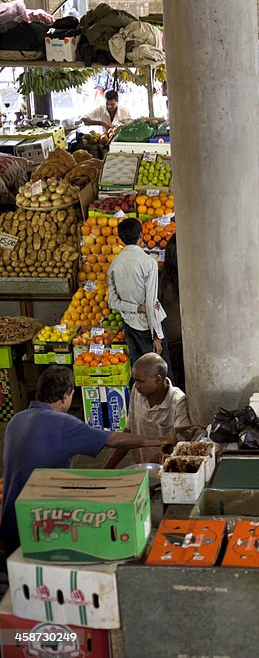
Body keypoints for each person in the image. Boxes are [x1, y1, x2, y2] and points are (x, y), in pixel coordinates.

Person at [1, 366, 174, 557]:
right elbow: (113, 440)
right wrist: (160, 440)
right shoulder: (62, 424)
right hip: (39, 524)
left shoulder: (15, 420)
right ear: (66, 396)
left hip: (9, 521)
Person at [105, 353, 191, 467]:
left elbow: (180, 443)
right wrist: (109, 467)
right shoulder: (137, 392)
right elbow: (130, 430)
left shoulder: (177, 401)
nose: (136, 385)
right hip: (142, 466)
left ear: (158, 379)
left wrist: (154, 463)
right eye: (135, 380)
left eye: (140, 381)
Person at [107, 218, 168, 368]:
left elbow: (112, 302)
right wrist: (157, 337)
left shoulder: (114, 265)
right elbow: (151, 302)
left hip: (129, 325)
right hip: (148, 327)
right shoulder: (149, 262)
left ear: (121, 238)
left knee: (139, 369)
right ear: (141, 234)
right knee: (159, 372)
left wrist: (134, 308)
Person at [158, 234, 184, 391]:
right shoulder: (190, 277)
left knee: (174, 378)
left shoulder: (161, 277)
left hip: (169, 335)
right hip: (188, 335)